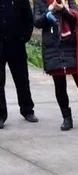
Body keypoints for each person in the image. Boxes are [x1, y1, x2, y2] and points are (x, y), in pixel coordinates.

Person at [33, 0, 78, 132]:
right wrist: (48, 12)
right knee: (60, 86)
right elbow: (37, 22)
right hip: (53, 48)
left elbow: (75, 20)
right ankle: (66, 118)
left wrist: (63, 9)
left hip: (71, 46)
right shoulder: (40, 1)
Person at [0, 0, 38, 129]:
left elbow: (28, 18)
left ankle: (27, 110)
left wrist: (24, 36)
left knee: (22, 79)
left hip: (17, 44)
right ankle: (0, 115)